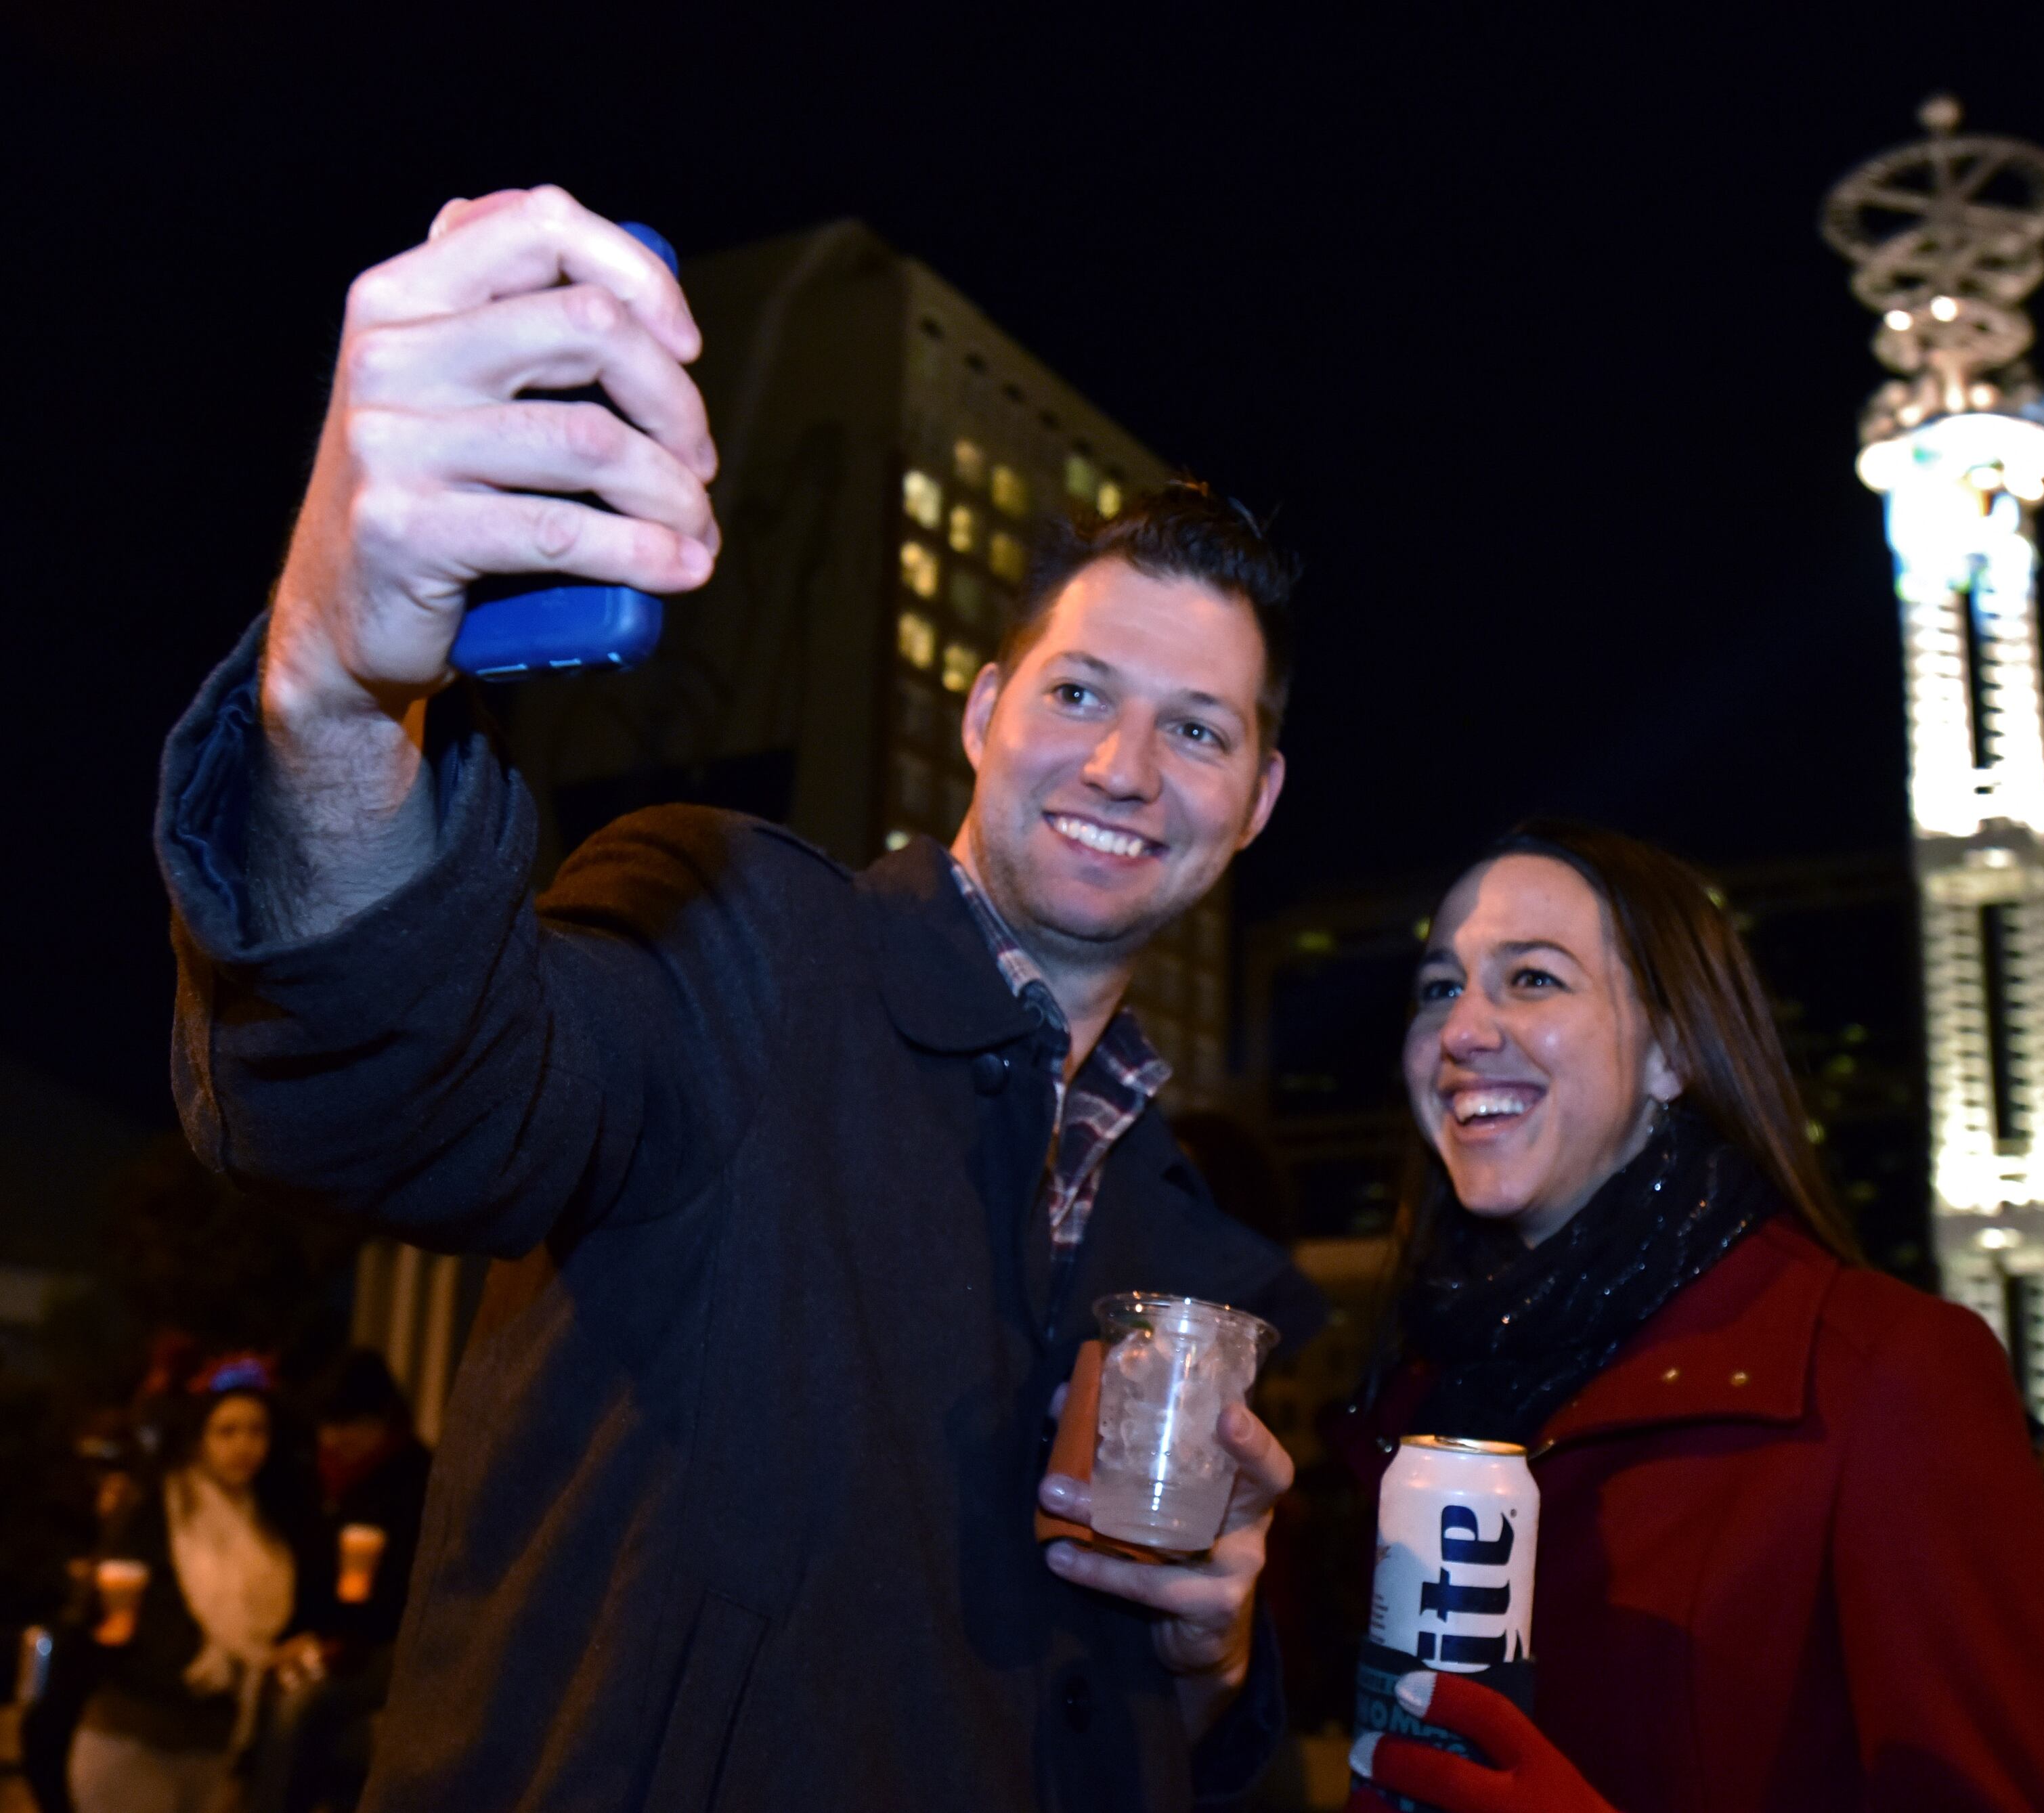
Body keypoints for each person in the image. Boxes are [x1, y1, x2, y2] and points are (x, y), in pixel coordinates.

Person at [155, 185, 1320, 1810]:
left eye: (1199, 728)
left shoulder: (1185, 1240)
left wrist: (1210, 1673)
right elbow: (382, 1092)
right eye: (1079, 691)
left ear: (1255, 801)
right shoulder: (738, 941)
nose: (1126, 765)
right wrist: (343, 687)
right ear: (983, 712)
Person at [1339, 823, 2044, 1812]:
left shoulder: (1883, 1372)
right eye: (1441, 987)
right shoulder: (1419, 1390)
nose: (1464, 1030)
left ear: (1674, 1051)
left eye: (1533, 980)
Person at [69, 1356, 312, 1813]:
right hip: (135, 1737)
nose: (244, 1445)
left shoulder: (268, 1525)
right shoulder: (163, 1507)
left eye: (257, 1430)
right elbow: (115, 1606)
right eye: (227, 1431)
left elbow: (262, 1630)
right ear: (200, 1437)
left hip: (212, 1747)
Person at [244, 1349, 432, 1813]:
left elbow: (410, 1596)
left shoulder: (415, 1479)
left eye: (347, 1425)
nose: (333, 1439)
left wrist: (342, 1635)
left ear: (380, 1418)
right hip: (323, 1637)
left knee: (301, 1705)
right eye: (326, 1425)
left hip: (383, 1647)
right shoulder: (321, 1478)